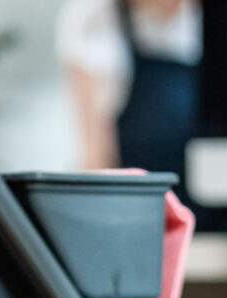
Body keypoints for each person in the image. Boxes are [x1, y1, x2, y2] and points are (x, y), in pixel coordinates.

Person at [56, 0, 199, 178]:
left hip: (211, 191)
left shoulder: (220, 16)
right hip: (136, 192)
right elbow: (96, 158)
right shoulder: (96, 16)